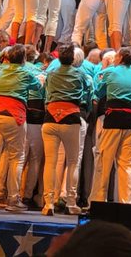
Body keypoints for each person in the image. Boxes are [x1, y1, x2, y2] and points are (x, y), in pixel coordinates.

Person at [0, 45, 42, 211]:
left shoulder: (0, 70)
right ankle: (13, 200)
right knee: (16, 157)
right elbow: (38, 87)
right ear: (23, 59)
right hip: (14, 116)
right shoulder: (26, 73)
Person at [89, 46, 131, 205]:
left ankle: (97, 201)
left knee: (104, 162)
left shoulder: (110, 72)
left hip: (113, 121)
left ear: (121, 58)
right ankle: (128, 203)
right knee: (128, 165)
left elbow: (99, 91)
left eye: (116, 56)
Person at [42, 42, 92, 215]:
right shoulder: (82, 75)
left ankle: (48, 202)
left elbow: (46, 94)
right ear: (73, 58)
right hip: (71, 118)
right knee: (73, 162)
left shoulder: (51, 74)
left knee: (51, 162)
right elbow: (89, 94)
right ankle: (71, 202)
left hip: (50, 117)